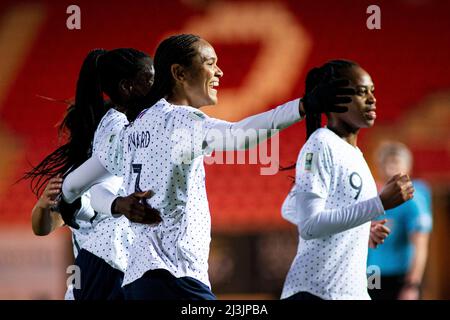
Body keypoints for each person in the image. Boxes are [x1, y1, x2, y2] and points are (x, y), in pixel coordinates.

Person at [60, 34, 354, 300]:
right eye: (210, 63)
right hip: (171, 278)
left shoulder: (134, 127)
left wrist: (81, 201)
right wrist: (303, 106)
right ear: (179, 73)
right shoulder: (179, 121)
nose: (219, 71)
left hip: (140, 281)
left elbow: (78, 183)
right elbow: (241, 136)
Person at [24, 48, 160, 299]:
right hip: (100, 274)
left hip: (125, 274)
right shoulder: (83, 174)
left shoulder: (132, 163)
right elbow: (44, 226)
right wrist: (44, 206)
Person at [280, 60, 414, 300]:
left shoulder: (355, 153)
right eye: (361, 92)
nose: (372, 98)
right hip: (317, 292)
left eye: (372, 90)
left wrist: (361, 228)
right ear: (334, 102)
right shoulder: (321, 144)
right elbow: (309, 226)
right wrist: (379, 203)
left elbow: (290, 208)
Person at [368, 141, 433, 300]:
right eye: (386, 163)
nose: (390, 169)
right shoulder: (373, 195)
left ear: (407, 166)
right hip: (373, 272)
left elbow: (420, 245)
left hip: (399, 275)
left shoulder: (413, 200)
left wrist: (412, 285)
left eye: (395, 163)